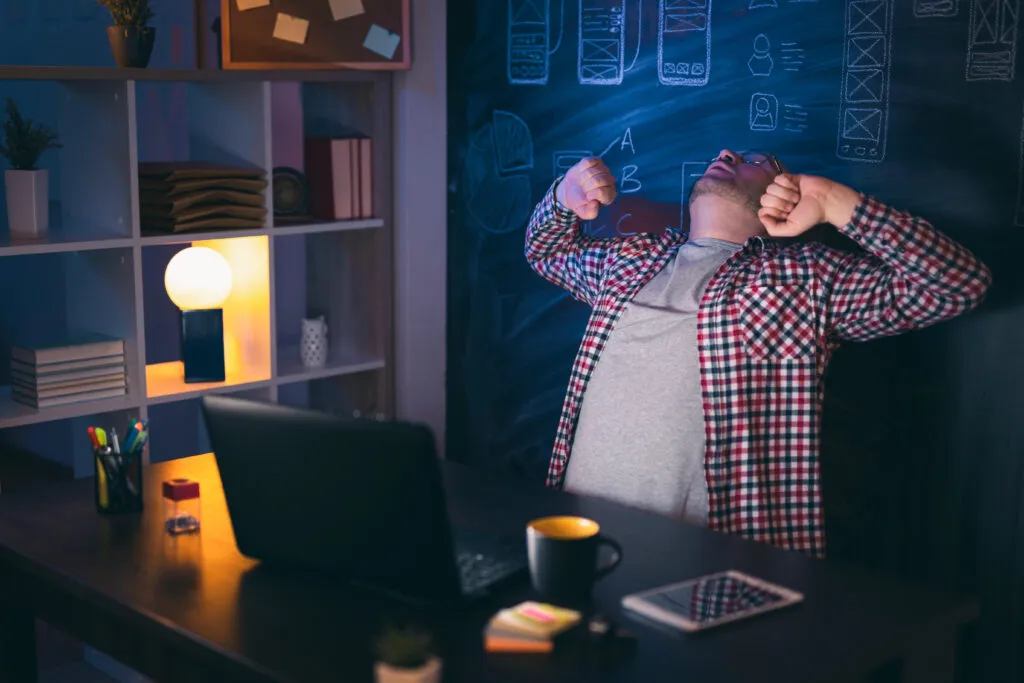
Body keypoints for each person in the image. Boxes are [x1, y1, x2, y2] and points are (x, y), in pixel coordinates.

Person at [524, 150, 992, 557]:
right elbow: (544, 252)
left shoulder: (803, 275)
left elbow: (956, 286)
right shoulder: (630, 258)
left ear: (783, 195)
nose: (728, 153)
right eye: (729, 154)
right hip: (580, 529)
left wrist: (832, 201)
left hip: (708, 552)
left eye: (755, 161)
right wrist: (564, 201)